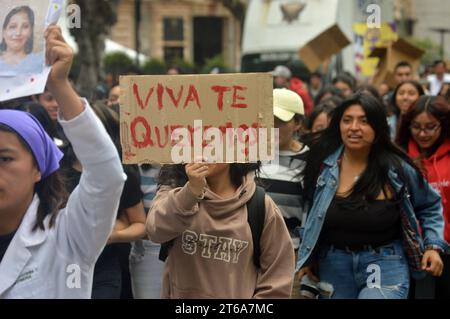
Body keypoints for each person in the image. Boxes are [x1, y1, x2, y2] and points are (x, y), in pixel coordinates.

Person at [0, 25, 125, 298]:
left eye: (4, 159)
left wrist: (59, 84)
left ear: (37, 169)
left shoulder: (69, 235)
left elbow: (107, 175)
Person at [296, 92, 448, 299]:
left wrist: (433, 246)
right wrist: (307, 258)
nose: (354, 128)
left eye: (364, 121)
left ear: (377, 127)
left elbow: (430, 204)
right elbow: (310, 213)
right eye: (347, 120)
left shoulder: (397, 169)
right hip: (333, 264)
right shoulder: (323, 167)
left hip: (386, 263)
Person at [146, 162, 295, 298]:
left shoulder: (260, 205)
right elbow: (155, 230)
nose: (204, 149)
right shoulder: (174, 191)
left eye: (214, 137)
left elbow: (277, 282)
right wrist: (190, 193)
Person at [60, 103, 146, 299]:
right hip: (62, 267)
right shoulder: (57, 166)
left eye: (93, 128)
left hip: (104, 269)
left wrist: (111, 236)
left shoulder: (122, 174)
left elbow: (141, 225)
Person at [397, 96, 450, 299]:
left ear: (443, 125)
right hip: (410, 251)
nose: (422, 134)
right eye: (416, 127)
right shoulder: (399, 158)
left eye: (431, 127)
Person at [0, 6, 43, 76]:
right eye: (13, 27)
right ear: (4, 32)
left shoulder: (40, 61)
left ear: (30, 32)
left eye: (25, 26)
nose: (18, 33)